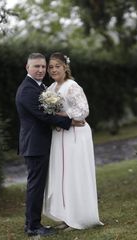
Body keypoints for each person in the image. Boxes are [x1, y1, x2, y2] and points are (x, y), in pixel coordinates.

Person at [15, 53, 84, 237]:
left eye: (43, 67)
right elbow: (43, 115)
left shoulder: (40, 86)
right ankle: (33, 227)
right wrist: (70, 122)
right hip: (35, 145)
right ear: (27, 67)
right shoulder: (28, 90)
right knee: (35, 186)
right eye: (36, 66)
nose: (40, 70)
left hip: (39, 143)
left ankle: (32, 223)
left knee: (37, 185)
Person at [43, 52, 103, 230]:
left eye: (57, 66)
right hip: (59, 135)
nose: (53, 70)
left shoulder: (72, 86)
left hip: (76, 135)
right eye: (51, 67)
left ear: (65, 67)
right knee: (62, 175)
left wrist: (65, 115)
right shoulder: (50, 89)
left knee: (75, 174)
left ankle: (80, 217)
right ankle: (66, 216)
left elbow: (83, 111)